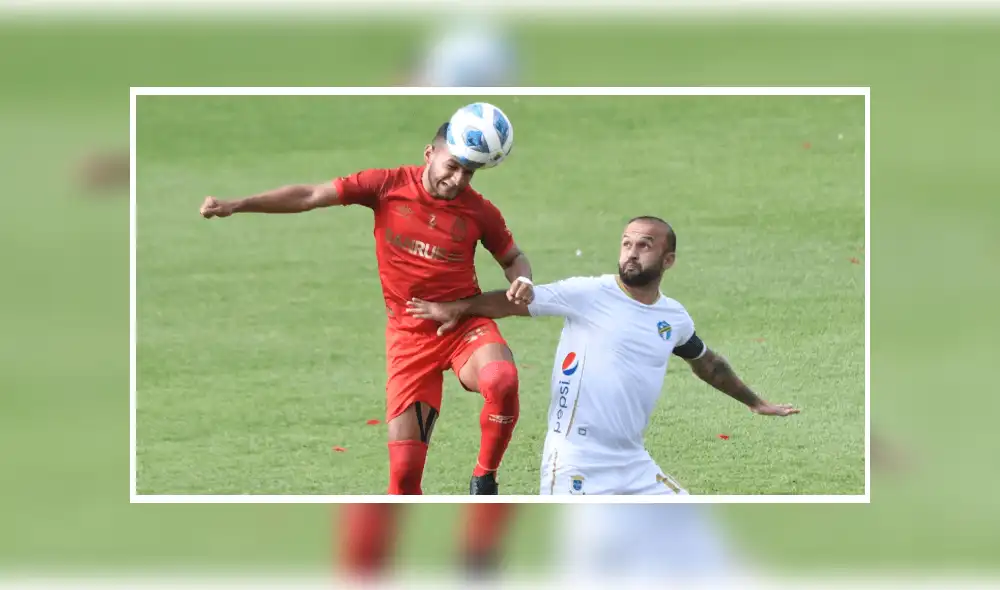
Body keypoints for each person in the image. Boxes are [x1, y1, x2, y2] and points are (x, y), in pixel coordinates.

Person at [199, 120, 534, 497]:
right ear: (429, 154)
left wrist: (522, 280)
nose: (457, 180)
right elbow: (310, 195)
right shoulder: (386, 185)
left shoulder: (479, 212)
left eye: (468, 172)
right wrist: (238, 205)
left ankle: (484, 479)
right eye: (452, 166)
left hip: (463, 323)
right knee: (404, 479)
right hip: (410, 338)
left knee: (501, 380)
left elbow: (513, 257)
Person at [407, 215, 800, 495]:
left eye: (645, 245)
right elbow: (515, 302)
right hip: (576, 462)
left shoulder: (673, 317)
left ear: (668, 261)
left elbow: (707, 363)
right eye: (627, 243)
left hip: (633, 463)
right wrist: (459, 307)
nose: (631, 253)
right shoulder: (589, 294)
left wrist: (755, 403)